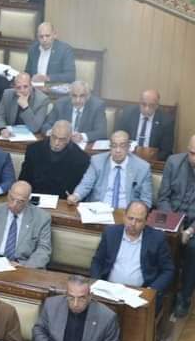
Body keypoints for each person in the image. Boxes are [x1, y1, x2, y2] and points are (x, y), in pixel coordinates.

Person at [90, 201, 174, 307]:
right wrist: (98, 284)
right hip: (109, 291)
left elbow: (168, 270)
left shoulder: (157, 239)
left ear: (146, 221)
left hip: (140, 295)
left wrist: (151, 290)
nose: (133, 223)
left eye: (138, 220)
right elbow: (97, 261)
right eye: (130, 218)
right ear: (124, 216)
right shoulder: (111, 233)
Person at [158, 135, 195, 317]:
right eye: (192, 153)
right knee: (157, 239)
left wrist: (190, 230)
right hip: (170, 217)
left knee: (193, 249)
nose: (194, 158)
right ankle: (160, 292)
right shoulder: (173, 162)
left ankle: (184, 297)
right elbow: (163, 197)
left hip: (193, 224)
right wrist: (173, 224)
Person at [0, 180, 52, 268]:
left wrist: (25, 267)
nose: (13, 205)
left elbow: (43, 250)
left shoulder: (42, 218)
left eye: (20, 201)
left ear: (28, 200)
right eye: (12, 199)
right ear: (8, 194)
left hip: (22, 266)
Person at [67, 130, 153, 208]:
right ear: (110, 147)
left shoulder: (142, 167)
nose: (118, 150)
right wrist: (76, 196)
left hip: (127, 213)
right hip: (98, 210)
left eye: (122, 146)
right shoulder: (97, 161)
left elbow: (146, 200)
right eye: (114, 146)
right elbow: (86, 184)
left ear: (128, 147)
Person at [19, 120, 90, 198]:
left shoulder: (81, 158)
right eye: (54, 137)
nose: (56, 143)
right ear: (50, 134)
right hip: (33, 197)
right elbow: (24, 179)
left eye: (62, 139)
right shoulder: (33, 150)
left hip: (62, 200)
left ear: (69, 138)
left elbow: (76, 190)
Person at [115, 89, 174, 161]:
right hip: (127, 157)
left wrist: (151, 161)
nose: (147, 109)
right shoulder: (127, 113)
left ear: (157, 106)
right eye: (143, 104)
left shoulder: (166, 121)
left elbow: (166, 150)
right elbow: (117, 136)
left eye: (151, 105)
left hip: (151, 160)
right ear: (139, 103)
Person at [42, 80, 107, 142]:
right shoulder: (60, 104)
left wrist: (82, 136)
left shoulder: (97, 106)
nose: (77, 100)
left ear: (87, 96)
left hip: (85, 146)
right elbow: (46, 125)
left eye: (82, 96)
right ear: (70, 95)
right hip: (62, 143)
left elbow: (101, 132)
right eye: (74, 96)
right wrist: (52, 132)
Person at [0, 73, 50, 137]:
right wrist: (2, 129)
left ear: (31, 86)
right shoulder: (7, 94)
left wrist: (25, 107)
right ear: (14, 88)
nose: (22, 90)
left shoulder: (42, 99)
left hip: (32, 137)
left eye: (25, 86)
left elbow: (35, 128)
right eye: (18, 87)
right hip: (10, 135)